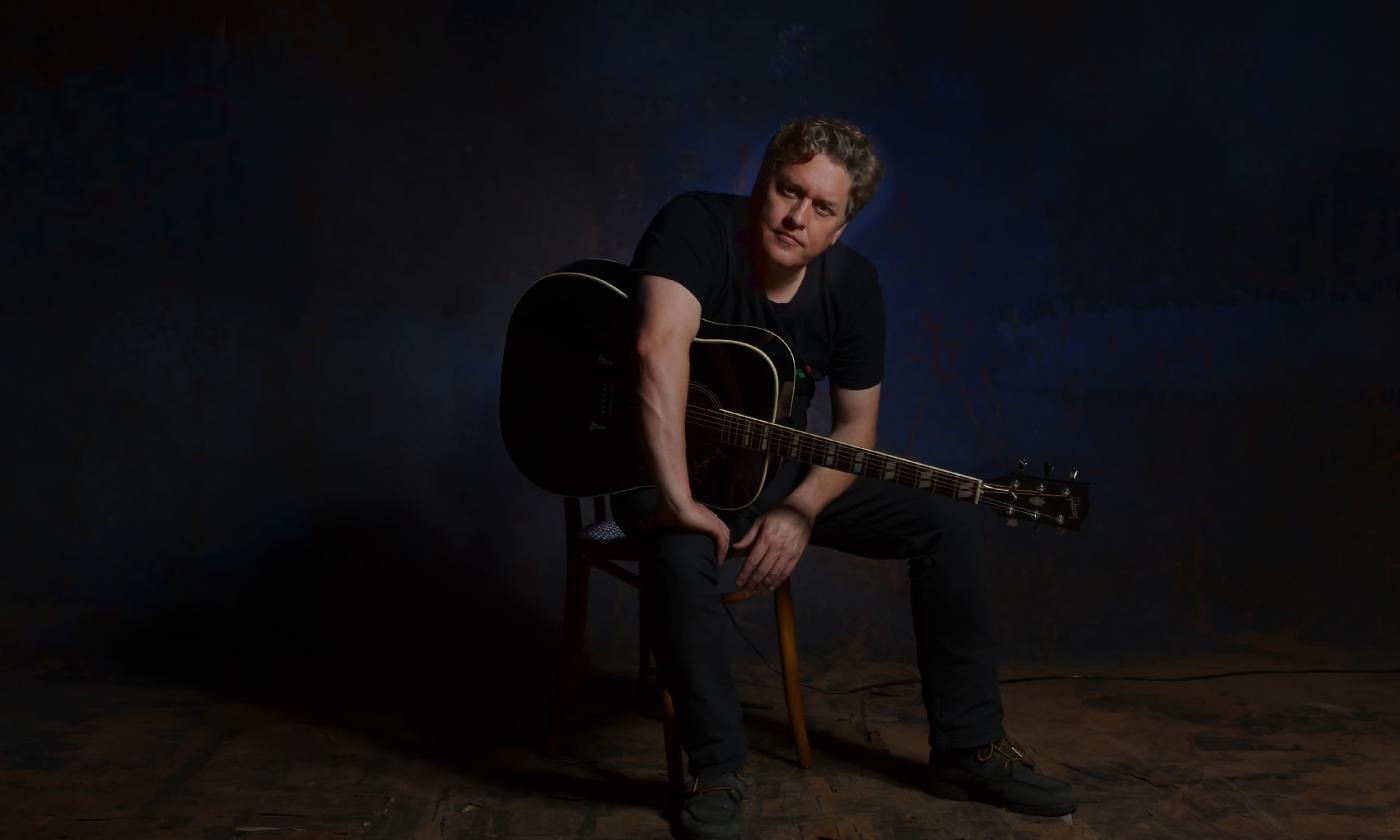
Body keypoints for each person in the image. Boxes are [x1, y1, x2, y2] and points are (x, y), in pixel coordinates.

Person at [615, 117, 1074, 839]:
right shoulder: (694, 226)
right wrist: (676, 499)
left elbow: (855, 428)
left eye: (821, 208)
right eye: (786, 191)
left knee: (947, 522)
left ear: (842, 225)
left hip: (777, 470)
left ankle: (967, 750)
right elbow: (654, 348)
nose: (797, 216)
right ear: (760, 182)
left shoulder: (854, 287)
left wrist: (799, 511)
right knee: (681, 550)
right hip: (666, 462)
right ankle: (715, 767)